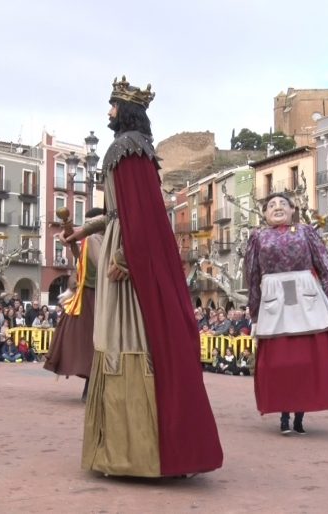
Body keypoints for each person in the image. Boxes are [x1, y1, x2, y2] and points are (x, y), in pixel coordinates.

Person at [60, 75, 222, 477]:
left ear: (125, 110)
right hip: (128, 243)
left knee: (124, 338)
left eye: (113, 105)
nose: (108, 111)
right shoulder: (136, 151)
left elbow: (141, 218)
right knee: (131, 339)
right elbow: (121, 213)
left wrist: (125, 258)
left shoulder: (124, 149)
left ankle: (134, 453)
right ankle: (135, 450)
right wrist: (86, 230)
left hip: (129, 256)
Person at [245, 192, 328, 435]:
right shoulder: (257, 237)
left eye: (282, 204)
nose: (277, 207)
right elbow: (252, 278)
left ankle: (299, 419)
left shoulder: (307, 231)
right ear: (264, 213)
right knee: (281, 366)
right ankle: (284, 418)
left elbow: (326, 267)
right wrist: (254, 315)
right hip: (274, 305)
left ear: (293, 209)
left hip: (308, 302)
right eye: (271, 205)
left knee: (306, 363)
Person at [44, 208, 104, 400]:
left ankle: (95, 385)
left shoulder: (104, 239)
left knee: (96, 342)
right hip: (86, 295)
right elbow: (79, 264)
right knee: (83, 341)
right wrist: (72, 288)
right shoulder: (89, 241)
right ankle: (90, 384)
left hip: (103, 296)